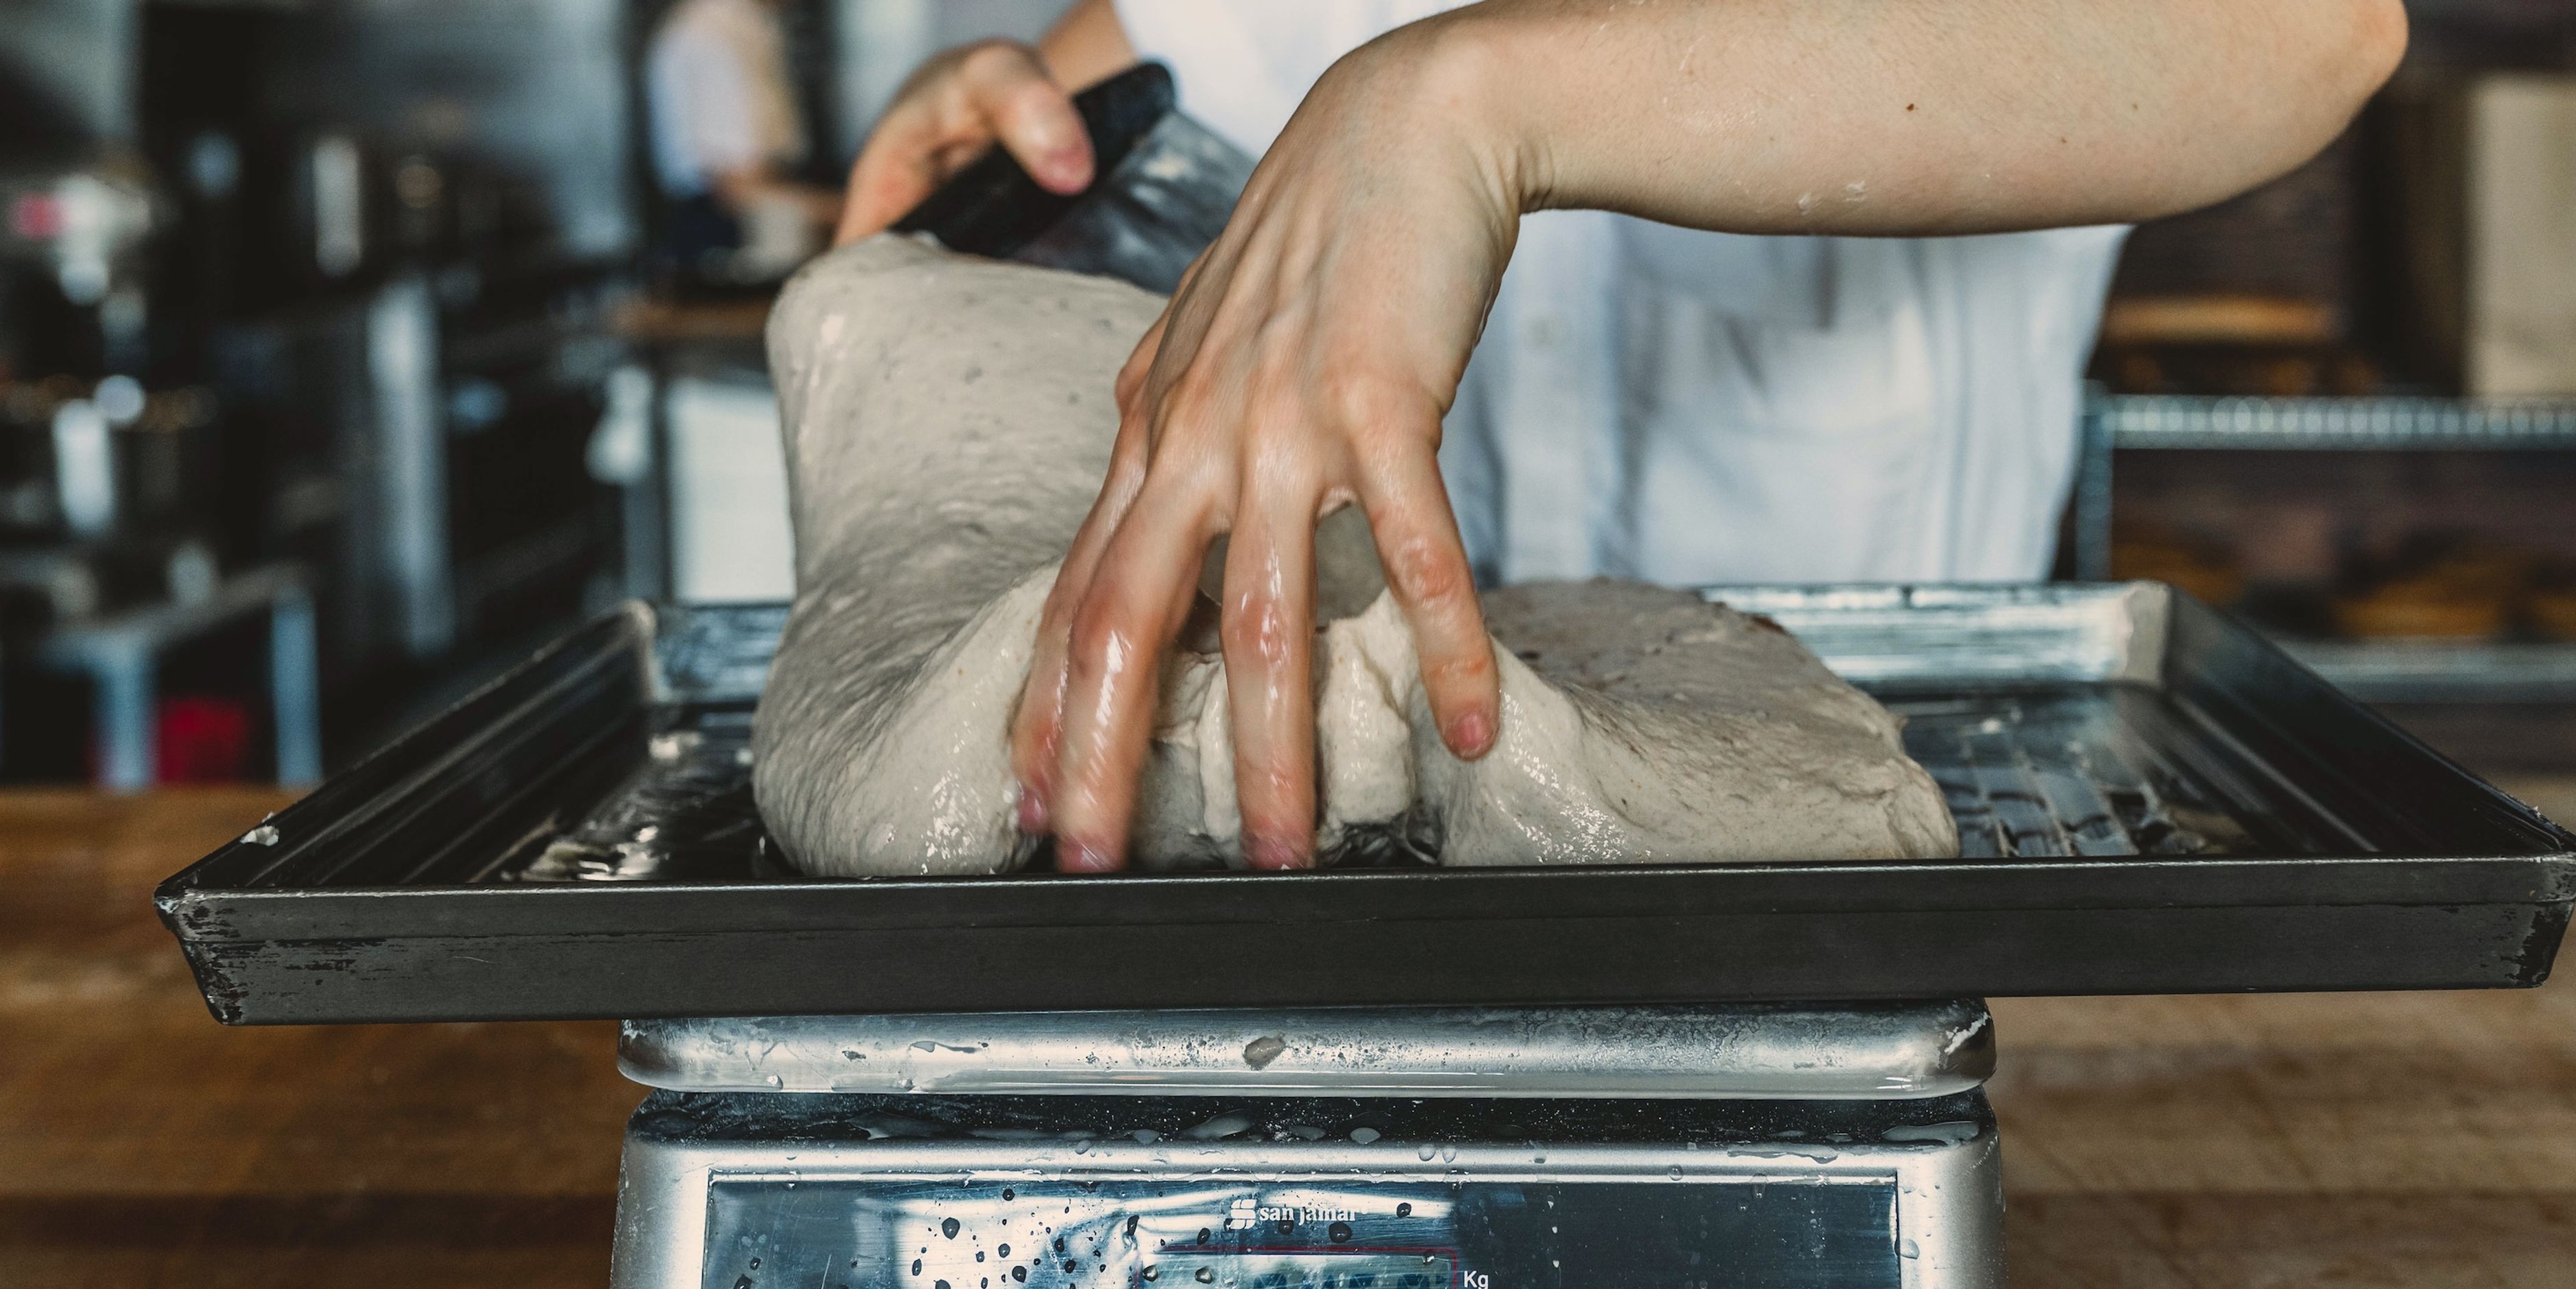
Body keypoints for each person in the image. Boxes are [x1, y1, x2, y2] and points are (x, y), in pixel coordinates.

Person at [836, 0, 2407, 872]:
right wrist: (995, 112)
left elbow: (2303, 33)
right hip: (1375, 937)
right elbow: (1090, 103)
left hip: (1888, 908)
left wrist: (1464, 100)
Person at [647, 0, 842, 280]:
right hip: (727, 245)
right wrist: (851, 209)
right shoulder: (716, 36)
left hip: (755, 227)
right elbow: (737, 191)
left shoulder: (751, 25)